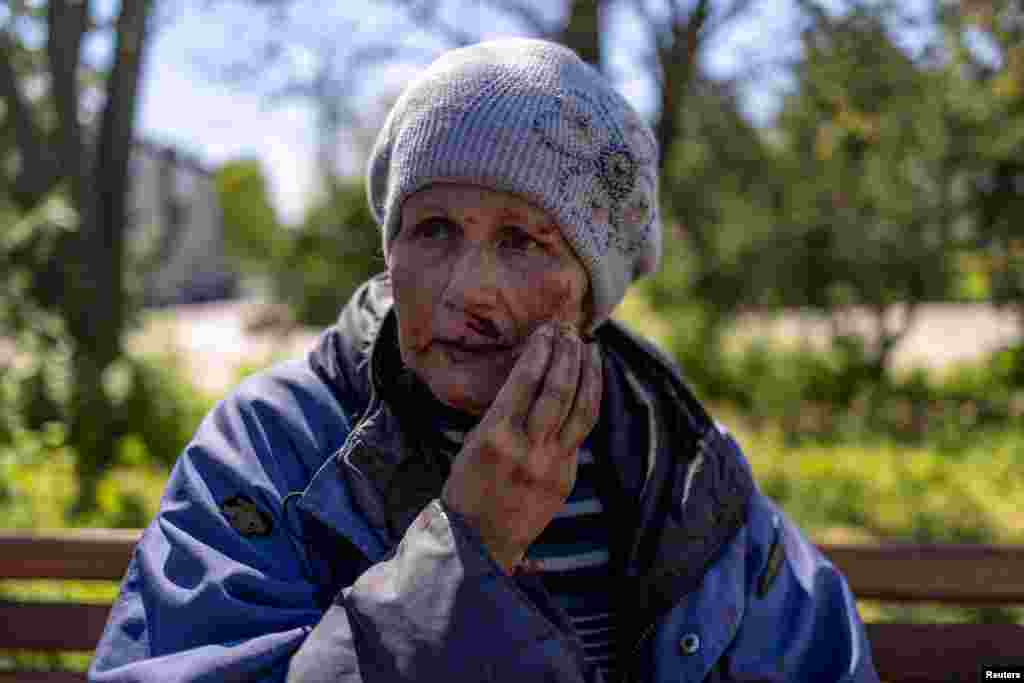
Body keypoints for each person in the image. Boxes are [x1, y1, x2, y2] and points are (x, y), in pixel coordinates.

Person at [89, 38, 879, 682]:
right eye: (432, 230)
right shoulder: (273, 448)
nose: (470, 289)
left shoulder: (679, 465)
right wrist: (465, 549)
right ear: (391, 249)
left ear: (592, 293)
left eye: (522, 240)